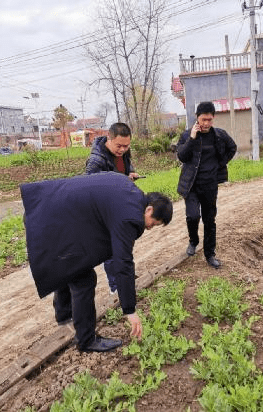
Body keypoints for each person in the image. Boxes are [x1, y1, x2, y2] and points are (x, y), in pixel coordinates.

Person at [21, 172, 173, 353]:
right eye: (154, 223)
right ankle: (86, 340)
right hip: (51, 219)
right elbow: (123, 263)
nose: (150, 228)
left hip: (46, 206)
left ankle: (64, 315)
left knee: (70, 264)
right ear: (149, 210)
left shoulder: (128, 188)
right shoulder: (131, 216)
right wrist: (130, 310)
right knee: (84, 279)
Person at [176, 101, 237, 269]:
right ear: (197, 118)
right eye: (203, 120)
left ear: (213, 118)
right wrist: (192, 138)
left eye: (209, 120)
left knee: (210, 220)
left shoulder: (219, 135)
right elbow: (182, 155)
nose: (206, 123)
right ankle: (193, 241)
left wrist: (220, 164)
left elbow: (232, 147)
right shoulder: (187, 135)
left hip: (210, 185)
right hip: (192, 186)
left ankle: (210, 254)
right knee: (193, 216)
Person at [85, 122, 140, 294]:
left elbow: (126, 167)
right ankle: (115, 286)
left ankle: (126, 276)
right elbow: (90, 190)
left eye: (126, 145)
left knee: (125, 242)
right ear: (109, 138)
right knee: (110, 248)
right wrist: (119, 182)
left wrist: (129, 175)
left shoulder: (123, 151)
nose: (123, 149)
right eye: (119, 146)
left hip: (120, 205)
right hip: (104, 211)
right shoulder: (96, 160)